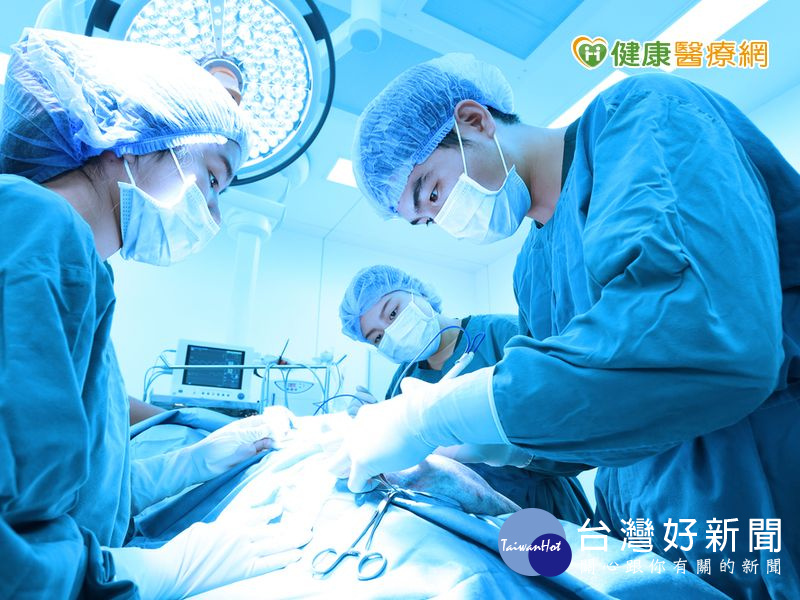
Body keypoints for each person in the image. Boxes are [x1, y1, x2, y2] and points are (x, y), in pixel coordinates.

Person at [335, 53, 800, 598]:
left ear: (474, 121)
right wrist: (490, 448)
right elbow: (587, 416)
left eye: (432, 192)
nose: (444, 220)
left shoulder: (640, 117)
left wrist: (431, 417)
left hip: (764, 485)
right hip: (646, 521)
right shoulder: (533, 271)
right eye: (427, 220)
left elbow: (698, 335)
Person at [0, 29, 310, 599]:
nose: (214, 215)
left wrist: (196, 462)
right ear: (132, 136)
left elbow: (80, 495)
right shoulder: (34, 228)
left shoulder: (83, 272)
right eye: (213, 178)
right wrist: (150, 572)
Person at [339, 264, 593, 522]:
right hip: (458, 519)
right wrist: (376, 425)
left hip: (541, 507)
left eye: (393, 313)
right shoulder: (403, 380)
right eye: (378, 338)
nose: (391, 333)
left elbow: (582, 435)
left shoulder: (504, 333)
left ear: (418, 293)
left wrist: (508, 451)